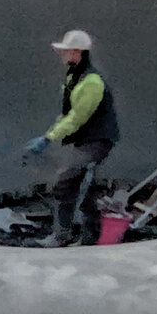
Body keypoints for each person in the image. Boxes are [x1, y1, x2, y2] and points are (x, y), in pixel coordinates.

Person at [19, 28, 119, 248]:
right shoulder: (75, 76)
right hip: (85, 141)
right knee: (82, 185)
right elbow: (68, 113)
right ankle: (80, 235)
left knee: (69, 182)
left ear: (77, 52)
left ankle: (72, 237)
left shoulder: (92, 82)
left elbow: (77, 117)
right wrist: (53, 131)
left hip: (97, 140)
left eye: (65, 51)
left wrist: (48, 138)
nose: (62, 55)